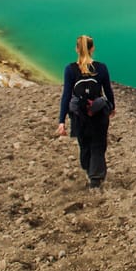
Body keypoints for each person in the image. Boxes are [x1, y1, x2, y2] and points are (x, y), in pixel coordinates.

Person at [56, 34, 115, 188]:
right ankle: (96, 178)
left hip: (79, 115)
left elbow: (66, 96)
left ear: (76, 49)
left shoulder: (70, 70)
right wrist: (112, 107)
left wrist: (61, 121)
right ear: (92, 48)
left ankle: (89, 171)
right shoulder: (101, 68)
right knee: (98, 144)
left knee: (84, 144)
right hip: (98, 112)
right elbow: (108, 91)